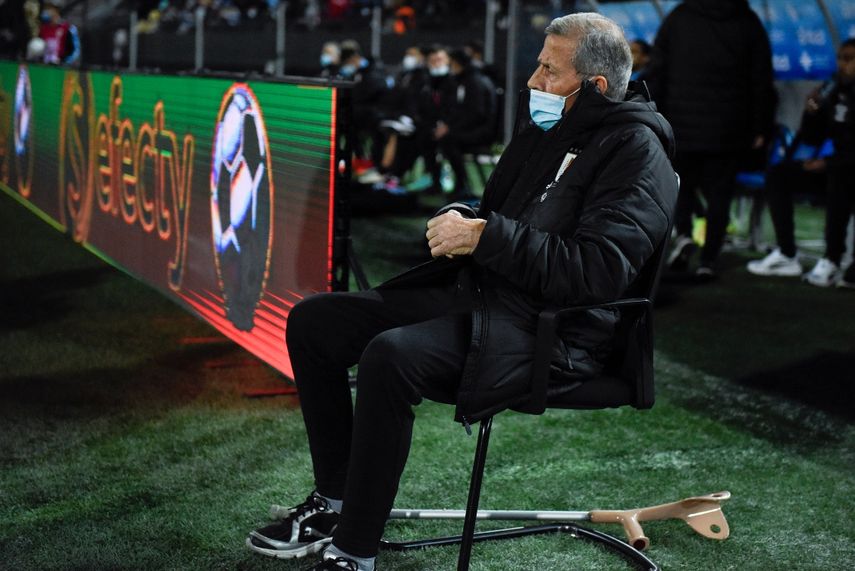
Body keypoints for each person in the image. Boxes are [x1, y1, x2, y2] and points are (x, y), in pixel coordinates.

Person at [245, 12, 678, 571]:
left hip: (555, 332)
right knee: (314, 322)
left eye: (548, 70)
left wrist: (485, 235)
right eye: (538, 65)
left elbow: (595, 273)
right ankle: (335, 502)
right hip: (486, 297)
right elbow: (502, 213)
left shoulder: (637, 150)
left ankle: (354, 551)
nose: (533, 81)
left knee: (390, 355)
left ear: (595, 86)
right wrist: (463, 215)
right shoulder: (551, 127)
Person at [645, 0, 775, 279]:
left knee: (678, 186)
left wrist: (654, 116)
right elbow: (761, 79)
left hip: (681, 124)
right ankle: (709, 258)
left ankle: (684, 235)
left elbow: (657, 70)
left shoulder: (679, 17)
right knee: (720, 194)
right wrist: (760, 126)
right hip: (729, 128)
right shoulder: (747, 21)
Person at [747, 39, 855, 289]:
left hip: (845, 170)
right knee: (779, 173)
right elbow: (812, 137)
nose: (842, 64)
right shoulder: (834, 91)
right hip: (835, 166)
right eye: (840, 58)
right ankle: (787, 254)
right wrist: (812, 112)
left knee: (839, 177)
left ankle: (832, 259)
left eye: (849, 59)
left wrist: (827, 163)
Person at [433, 47, 498, 199]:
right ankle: (454, 183)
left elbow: (476, 114)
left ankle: (462, 184)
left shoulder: (474, 82)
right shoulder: (468, 80)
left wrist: (450, 129)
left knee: (448, 140)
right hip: (475, 129)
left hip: (482, 132)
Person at [38, 1, 80, 65]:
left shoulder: (68, 28)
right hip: (44, 66)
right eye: (46, 8)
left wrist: (64, 62)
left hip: (61, 67)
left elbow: (75, 51)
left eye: (49, 8)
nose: (46, 11)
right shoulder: (43, 29)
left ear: (56, 10)